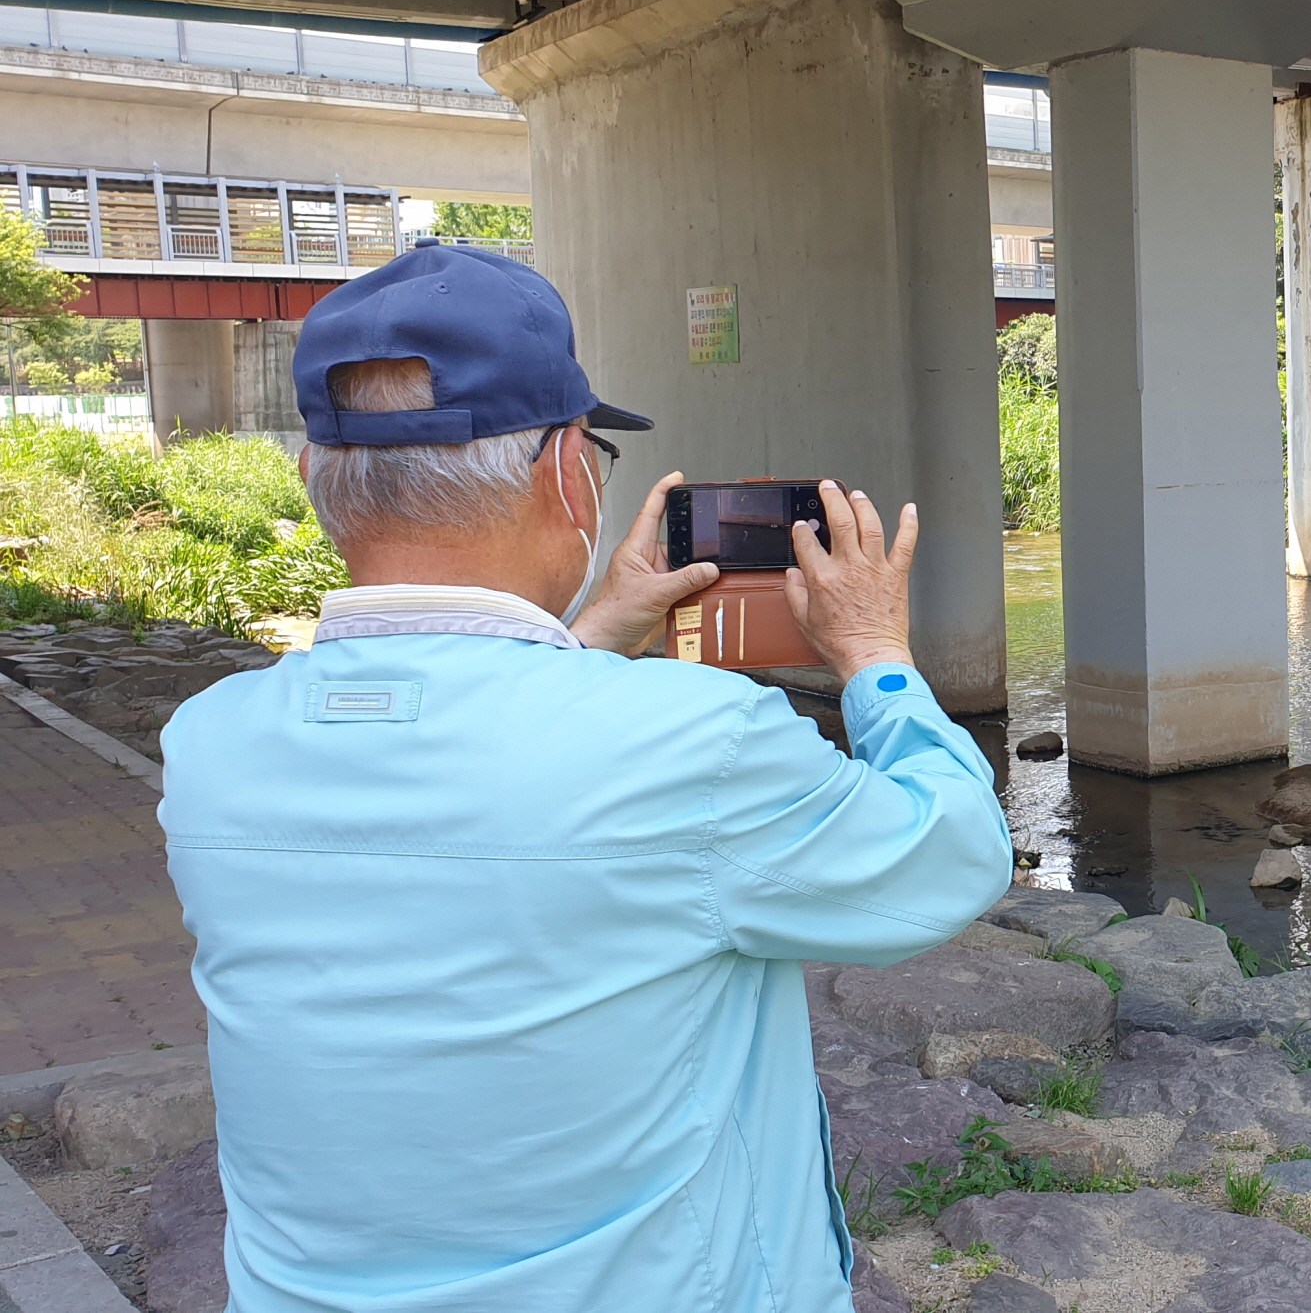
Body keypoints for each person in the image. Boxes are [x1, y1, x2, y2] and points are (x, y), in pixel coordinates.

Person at [158, 241, 1011, 1312]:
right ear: (569, 469)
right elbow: (950, 857)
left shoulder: (210, 745)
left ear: (310, 474)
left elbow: (468, 780)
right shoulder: (694, 741)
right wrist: (875, 657)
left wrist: (587, 638)